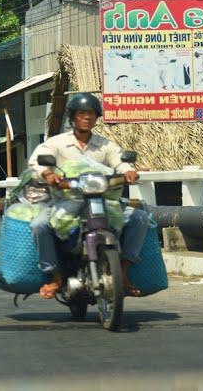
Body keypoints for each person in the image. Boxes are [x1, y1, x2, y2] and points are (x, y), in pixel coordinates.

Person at [27, 92, 147, 299]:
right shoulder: (56, 143)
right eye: (81, 113)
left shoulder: (105, 145)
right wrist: (48, 174)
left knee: (140, 218)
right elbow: (36, 162)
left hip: (102, 201)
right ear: (72, 117)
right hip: (66, 200)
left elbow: (120, 160)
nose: (87, 117)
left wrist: (128, 171)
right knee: (40, 225)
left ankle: (123, 272)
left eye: (91, 113)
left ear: (96, 118)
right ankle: (54, 276)